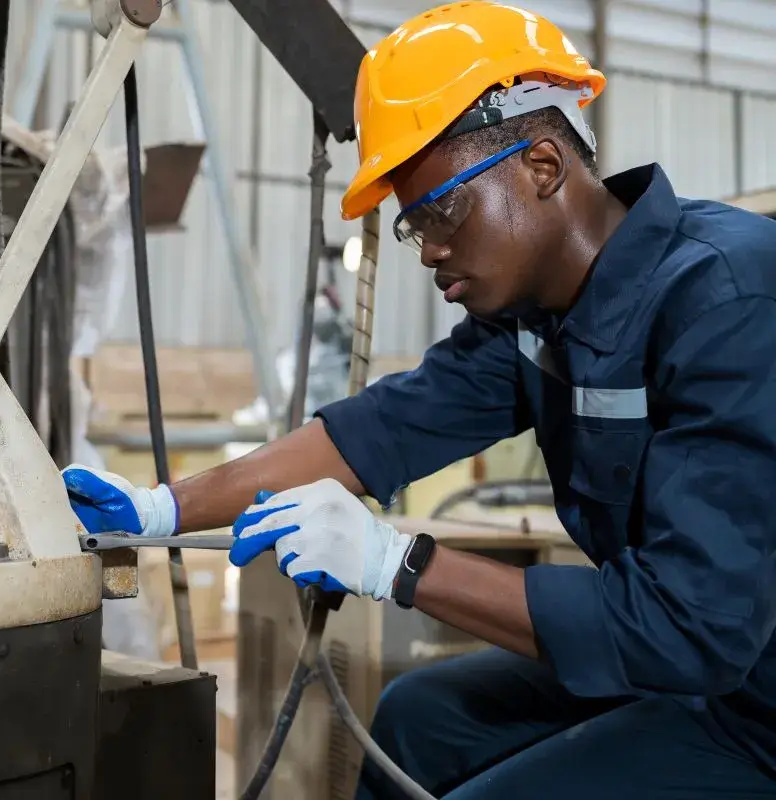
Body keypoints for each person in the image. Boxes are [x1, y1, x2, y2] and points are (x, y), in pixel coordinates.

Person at [63, 3, 776, 798]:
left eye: (442, 211)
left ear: (543, 166)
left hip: (749, 701)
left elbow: (693, 630)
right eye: (413, 227)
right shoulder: (533, 320)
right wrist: (160, 509)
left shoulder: (728, 299)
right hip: (680, 666)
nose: (430, 249)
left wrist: (396, 564)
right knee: (418, 718)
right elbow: (379, 430)